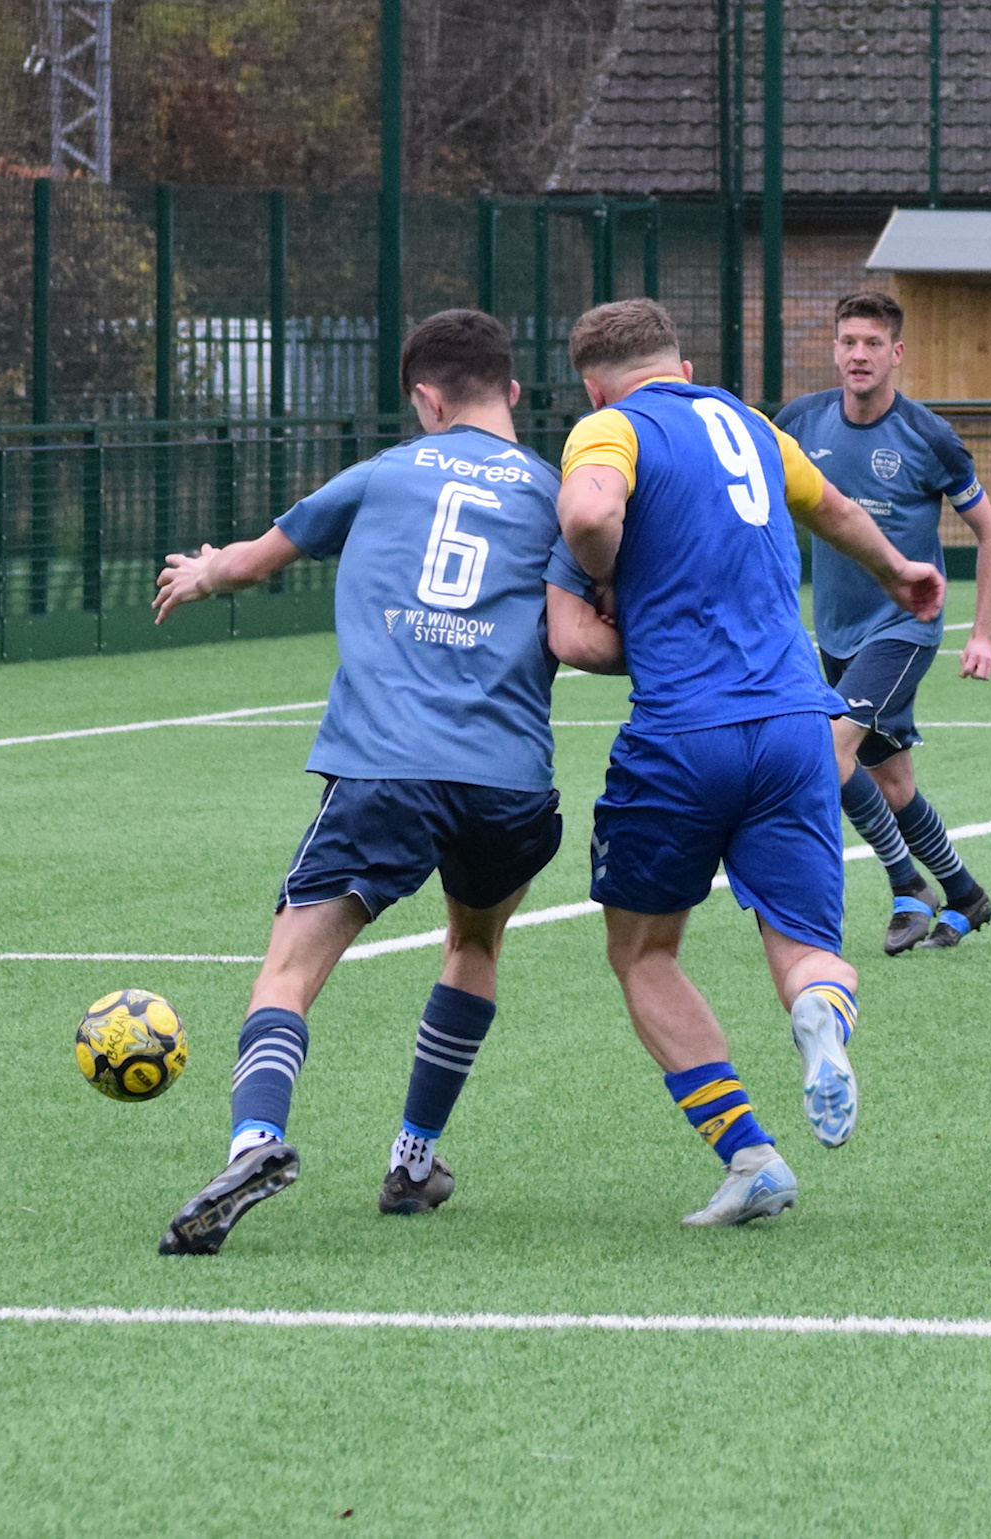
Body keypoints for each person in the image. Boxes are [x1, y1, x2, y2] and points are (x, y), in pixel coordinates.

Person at [146, 308, 622, 1256]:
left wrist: (202, 574)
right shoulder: (554, 490)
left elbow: (251, 563)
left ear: (425, 400)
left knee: (289, 967)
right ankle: (414, 1157)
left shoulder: (382, 474)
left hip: (385, 770)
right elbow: (594, 612)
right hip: (508, 783)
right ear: (514, 395)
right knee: (473, 943)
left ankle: (256, 1138)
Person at [555, 299, 943, 1226]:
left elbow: (586, 512)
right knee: (808, 949)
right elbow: (835, 509)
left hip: (683, 732)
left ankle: (750, 1154)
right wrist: (900, 571)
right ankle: (818, 1019)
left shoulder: (609, 428)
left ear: (595, 382)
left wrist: (606, 567)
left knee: (643, 951)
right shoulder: (753, 424)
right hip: (794, 727)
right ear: (681, 365)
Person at [776, 291, 991, 954]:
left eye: (872, 343)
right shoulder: (799, 423)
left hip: (904, 630)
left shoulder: (928, 436)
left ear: (896, 353)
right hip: (836, 633)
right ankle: (964, 892)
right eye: (848, 341)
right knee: (893, 781)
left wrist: (981, 633)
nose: (858, 354)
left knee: (828, 750)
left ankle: (907, 885)